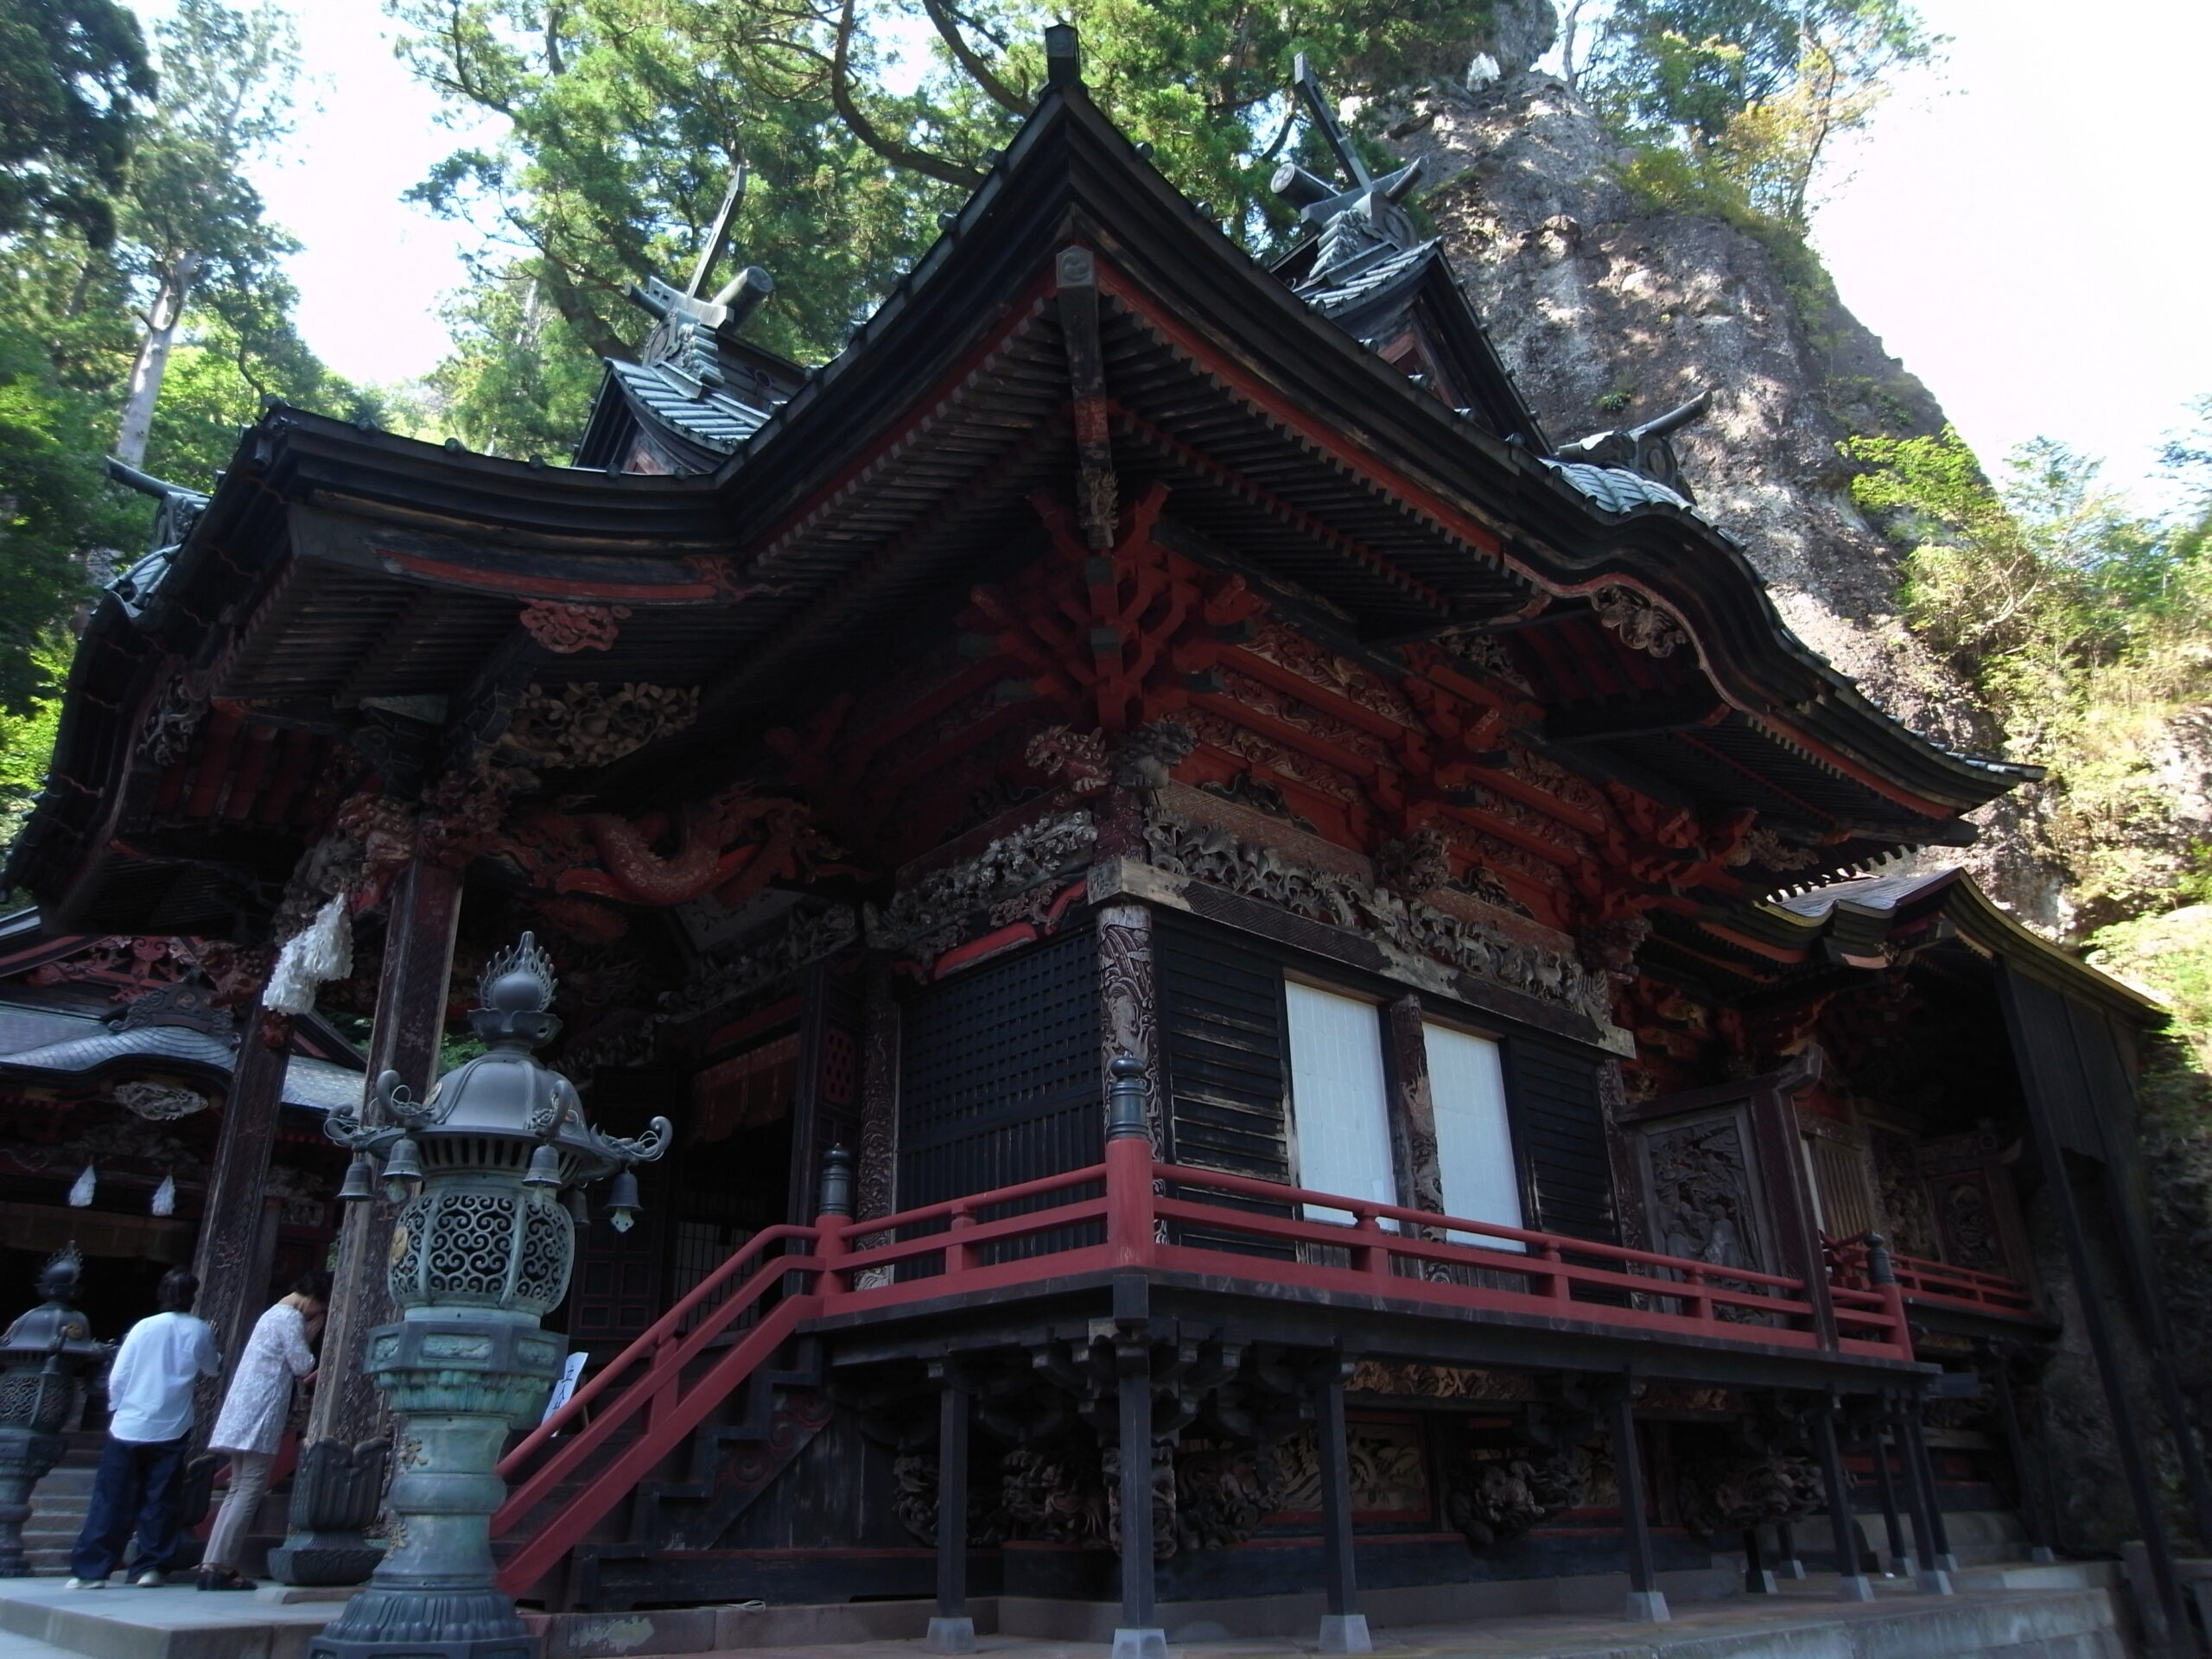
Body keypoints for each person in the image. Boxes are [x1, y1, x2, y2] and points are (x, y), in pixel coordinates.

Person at [66, 1268, 220, 1589]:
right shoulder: (200, 1329)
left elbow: (119, 1374)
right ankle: (150, 1566)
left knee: (112, 1497)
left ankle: (92, 1569)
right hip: (172, 1422)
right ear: (193, 1297)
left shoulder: (143, 1327)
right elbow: (211, 1368)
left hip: (129, 1422)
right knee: (161, 1497)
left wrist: (118, 1407)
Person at [194, 1270, 329, 1590]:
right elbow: (302, 1364)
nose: (317, 1315)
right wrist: (312, 1337)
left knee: (237, 1489)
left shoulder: (271, 1314)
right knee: (250, 1489)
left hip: (243, 1411)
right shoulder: (290, 1319)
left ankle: (212, 1564)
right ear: (312, 1300)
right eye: (319, 1309)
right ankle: (221, 1565)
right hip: (261, 1411)